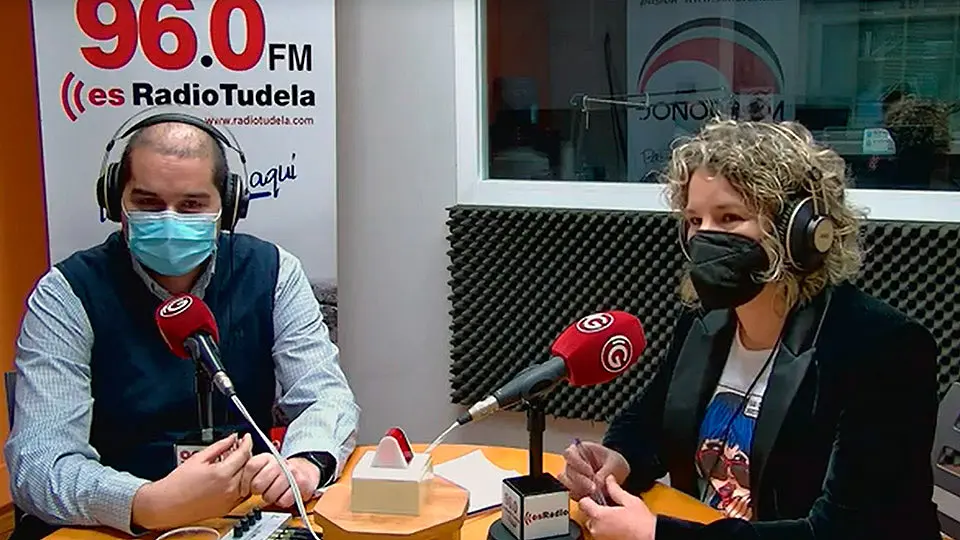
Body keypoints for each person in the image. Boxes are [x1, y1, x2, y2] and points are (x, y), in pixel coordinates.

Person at [558, 118, 942, 539]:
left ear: (800, 233)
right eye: (695, 220)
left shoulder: (881, 347)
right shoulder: (706, 321)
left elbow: (846, 530)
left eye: (729, 218)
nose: (704, 238)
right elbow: (650, 420)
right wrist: (619, 458)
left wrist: (657, 535)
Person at [4, 110, 360, 538]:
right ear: (115, 201)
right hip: (112, 526)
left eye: (192, 205)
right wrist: (146, 502)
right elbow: (39, 464)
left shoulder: (273, 272)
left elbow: (325, 396)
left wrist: (305, 463)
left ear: (228, 206)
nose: (169, 220)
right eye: (148, 203)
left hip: (239, 517)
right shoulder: (67, 292)